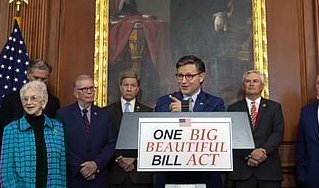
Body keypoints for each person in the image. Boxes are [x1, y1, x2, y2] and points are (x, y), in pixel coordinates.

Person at [154, 55, 225, 188]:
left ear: (201, 77)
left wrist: (187, 110)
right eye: (180, 76)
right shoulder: (164, 102)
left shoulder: (215, 103)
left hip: (204, 174)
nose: (183, 81)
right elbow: (156, 136)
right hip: (170, 175)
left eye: (189, 76)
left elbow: (217, 135)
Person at [0, 81, 66, 187]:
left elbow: (62, 167)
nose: (28, 102)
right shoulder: (11, 129)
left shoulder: (57, 127)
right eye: (25, 99)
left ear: (43, 101)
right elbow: (6, 172)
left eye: (34, 98)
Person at [56, 75, 116, 187]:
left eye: (92, 88)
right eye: (85, 89)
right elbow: (60, 145)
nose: (90, 92)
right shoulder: (63, 114)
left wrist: (96, 165)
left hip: (99, 177)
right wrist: (82, 168)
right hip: (74, 177)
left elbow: (111, 143)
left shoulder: (104, 115)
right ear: (76, 93)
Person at [227, 70, 284, 188]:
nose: (251, 84)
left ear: (262, 86)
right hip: (242, 171)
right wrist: (249, 154)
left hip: (269, 171)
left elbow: (278, 133)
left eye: (255, 81)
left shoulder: (274, 107)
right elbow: (232, 136)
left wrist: (262, 152)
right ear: (244, 86)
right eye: (248, 81)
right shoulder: (233, 108)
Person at [106, 69, 153, 188]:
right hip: (115, 175)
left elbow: (150, 142)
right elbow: (105, 140)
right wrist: (119, 158)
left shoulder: (147, 112)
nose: (129, 88)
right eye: (126, 85)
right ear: (120, 87)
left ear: (137, 89)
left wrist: (134, 159)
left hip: (139, 176)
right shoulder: (107, 112)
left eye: (132, 85)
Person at [0, 60, 60, 130]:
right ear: (28, 75)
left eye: (43, 79)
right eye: (36, 78)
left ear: (48, 78)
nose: (39, 81)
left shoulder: (54, 102)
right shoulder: (10, 99)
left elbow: (55, 129)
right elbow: (3, 127)